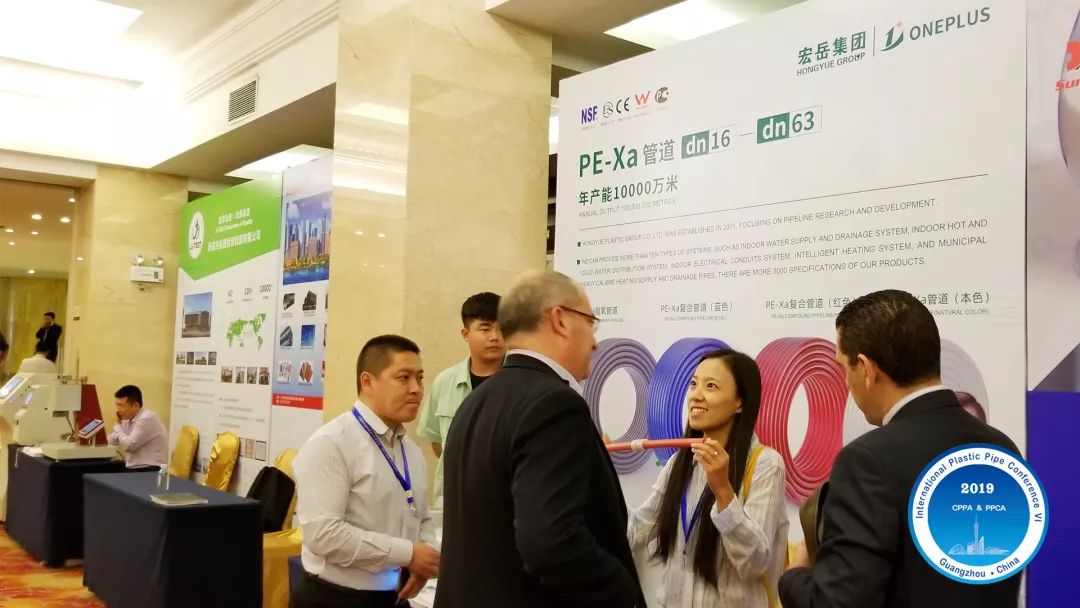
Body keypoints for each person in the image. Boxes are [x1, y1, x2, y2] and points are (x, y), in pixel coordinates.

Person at [779, 289, 1021, 608]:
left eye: (844, 368)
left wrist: (795, 573)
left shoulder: (867, 461)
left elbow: (838, 603)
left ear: (866, 369)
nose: (846, 383)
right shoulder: (1003, 447)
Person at [435, 270, 645, 608]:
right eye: (590, 323)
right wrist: (623, 591)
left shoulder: (476, 401)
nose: (595, 343)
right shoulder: (555, 404)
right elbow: (550, 542)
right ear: (560, 320)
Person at [628, 349, 788, 607]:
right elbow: (636, 531)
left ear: (740, 403)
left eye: (711, 386)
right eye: (693, 384)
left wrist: (723, 491)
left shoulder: (766, 465)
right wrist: (598, 473)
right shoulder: (678, 463)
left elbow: (755, 563)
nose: (696, 395)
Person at [292, 335, 438, 608]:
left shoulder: (411, 451)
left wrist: (426, 559)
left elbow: (421, 516)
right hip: (335, 598)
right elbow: (324, 535)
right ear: (368, 382)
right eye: (403, 378)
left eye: (419, 378)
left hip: (394, 597)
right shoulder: (332, 443)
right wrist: (408, 554)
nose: (416, 389)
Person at [416, 291, 504, 508]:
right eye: (485, 329)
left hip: (505, 504)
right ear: (465, 333)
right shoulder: (445, 382)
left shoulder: (521, 382)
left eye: (502, 328)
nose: (495, 337)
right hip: (454, 503)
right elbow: (437, 441)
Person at [107, 385, 168, 469]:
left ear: (136, 405)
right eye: (117, 405)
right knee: (99, 466)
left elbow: (129, 446)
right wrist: (99, 439)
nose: (118, 410)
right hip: (135, 467)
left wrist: (118, 426)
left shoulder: (147, 418)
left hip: (149, 469)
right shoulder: (128, 418)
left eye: (121, 406)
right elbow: (114, 439)